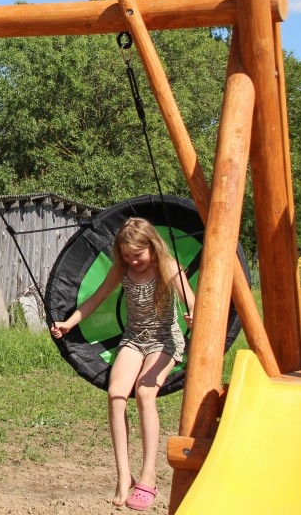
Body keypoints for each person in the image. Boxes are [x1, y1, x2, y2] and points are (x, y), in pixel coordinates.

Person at [50, 217, 196, 511]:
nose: (133, 261)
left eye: (138, 255)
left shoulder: (167, 266)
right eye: (127, 256)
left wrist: (193, 314)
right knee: (116, 396)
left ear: (152, 247)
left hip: (164, 339)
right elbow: (96, 297)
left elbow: (191, 300)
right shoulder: (123, 268)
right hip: (133, 339)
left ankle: (148, 476)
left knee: (144, 394)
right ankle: (122, 475)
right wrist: (69, 322)